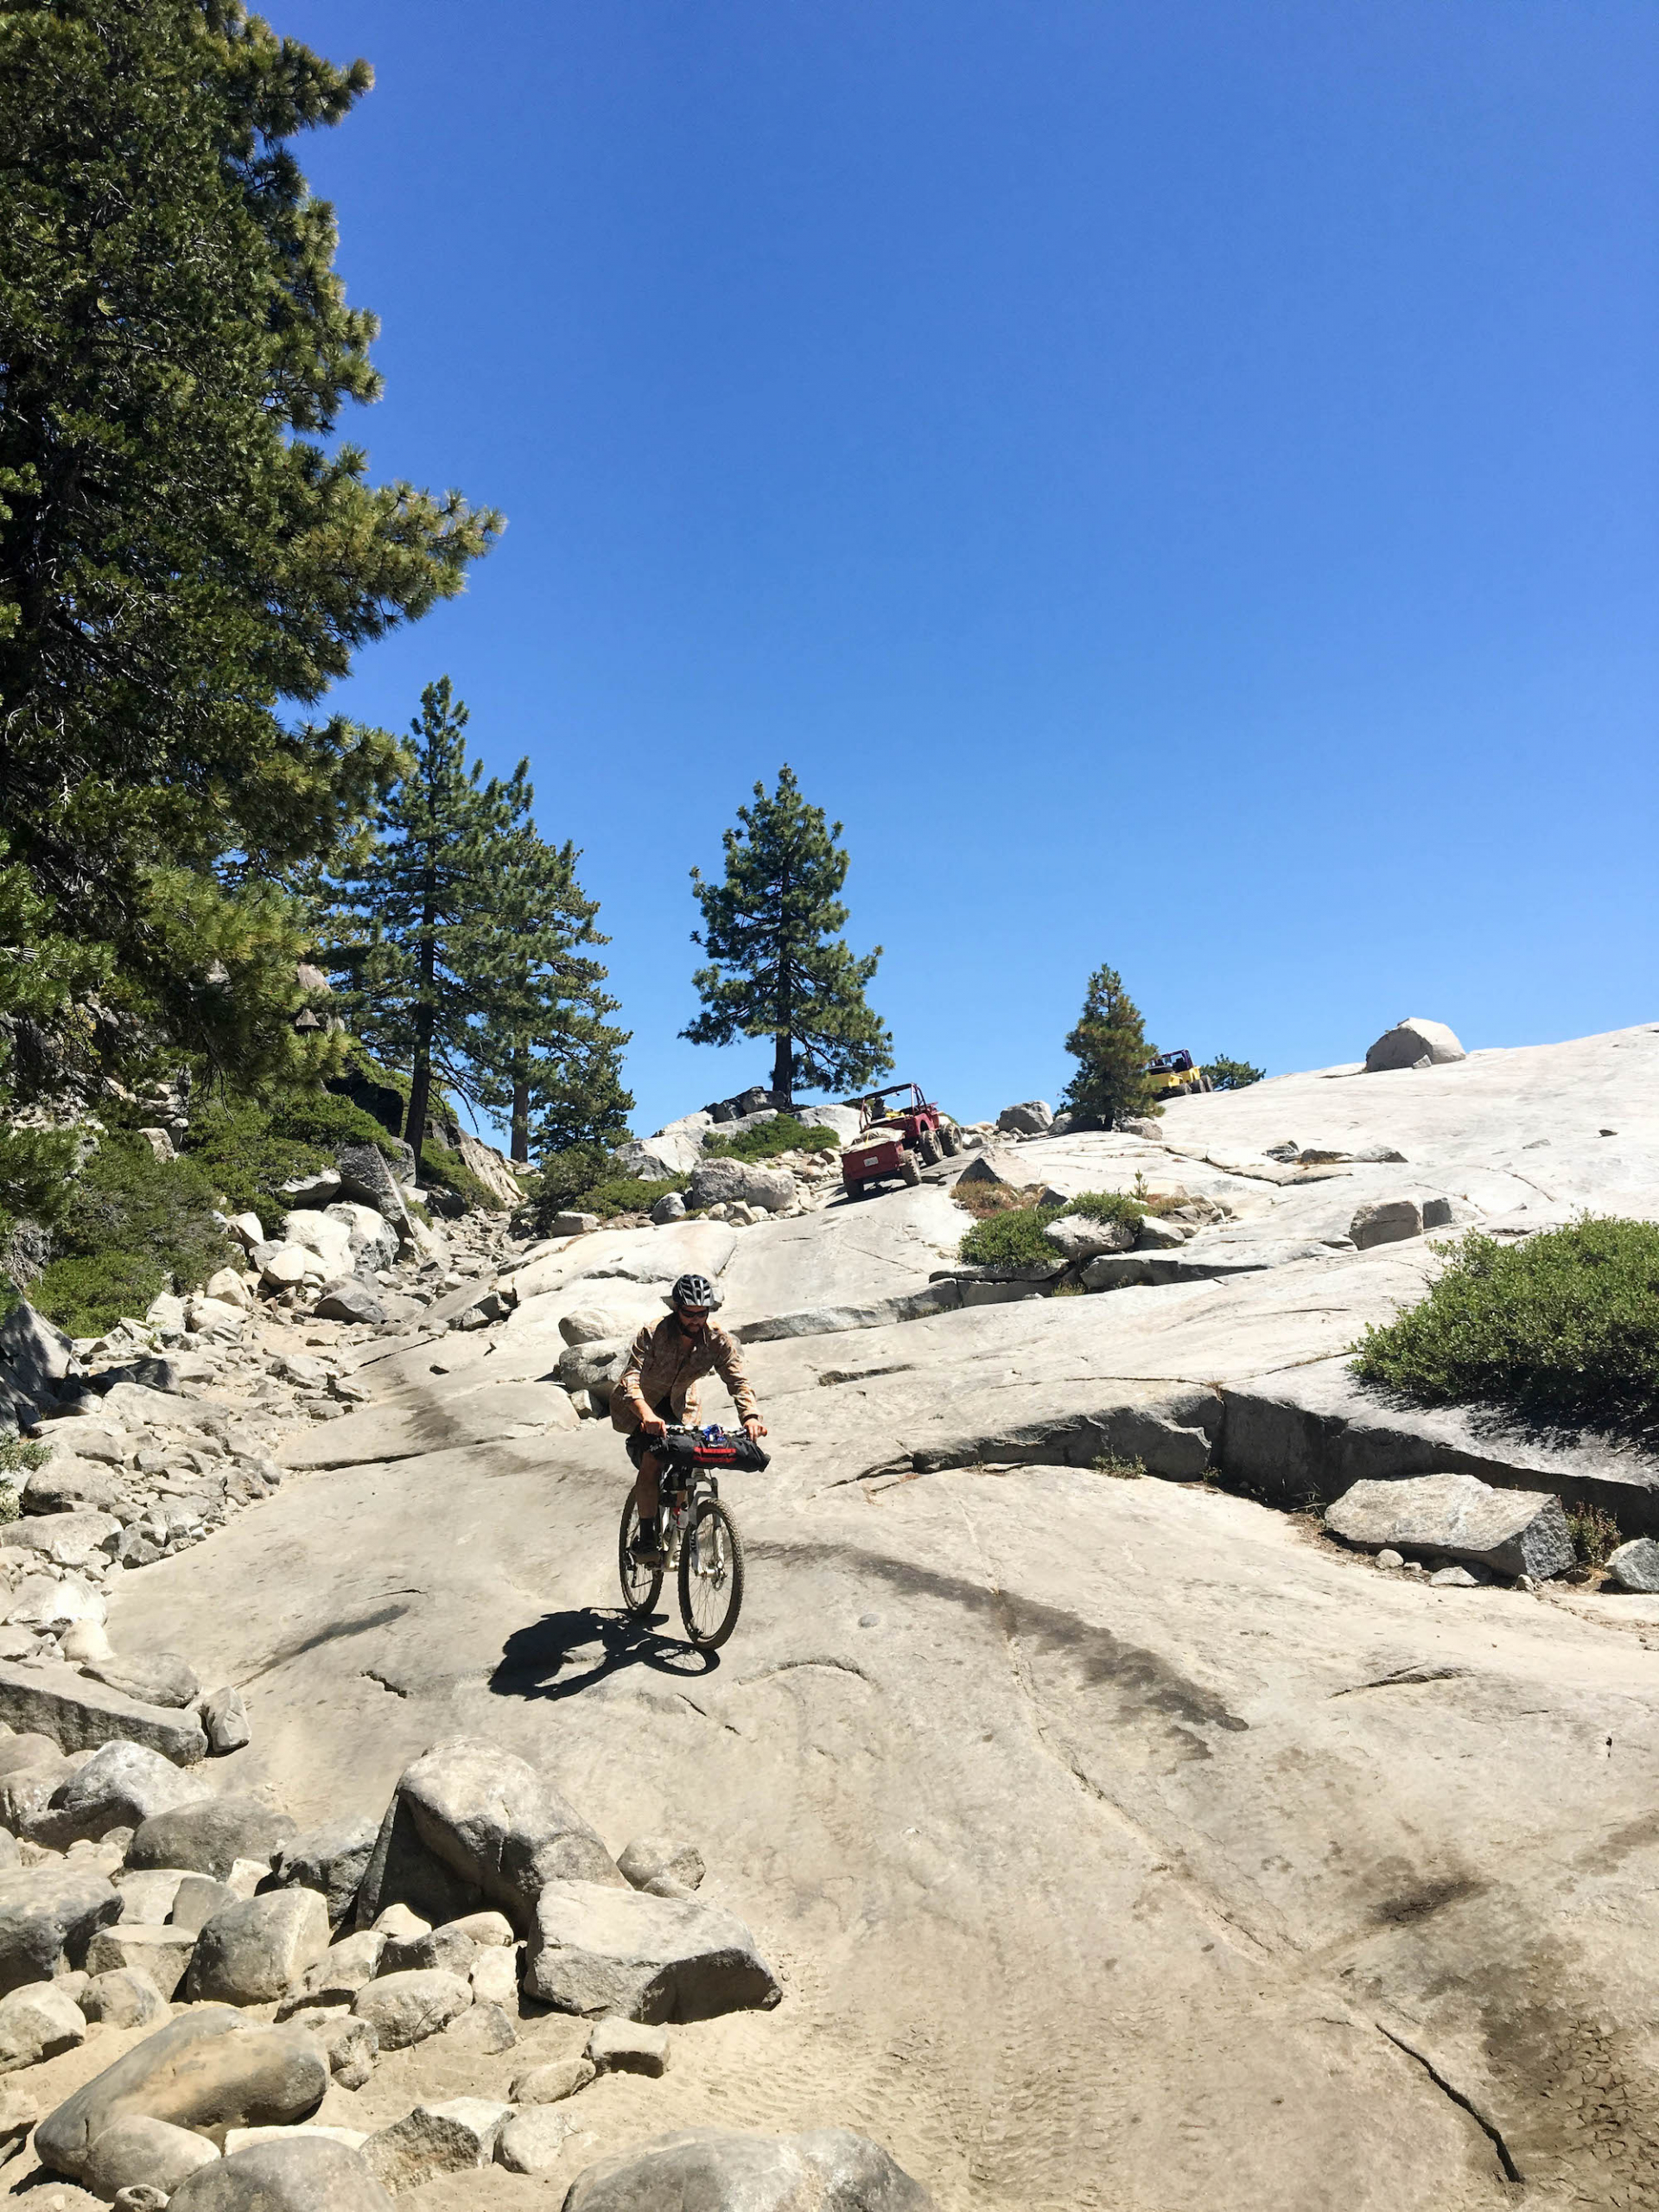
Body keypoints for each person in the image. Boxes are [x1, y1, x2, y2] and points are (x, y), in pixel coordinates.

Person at [610, 1272, 768, 1563]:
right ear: (676, 1308)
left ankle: (679, 1529)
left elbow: (738, 1381)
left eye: (702, 1313)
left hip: (681, 1407)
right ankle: (646, 1539)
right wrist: (646, 1415)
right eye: (689, 1313)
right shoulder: (653, 1332)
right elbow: (629, 1379)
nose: (696, 1320)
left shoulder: (717, 1339)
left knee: (689, 1460)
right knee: (652, 1461)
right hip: (640, 1405)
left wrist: (751, 1416)